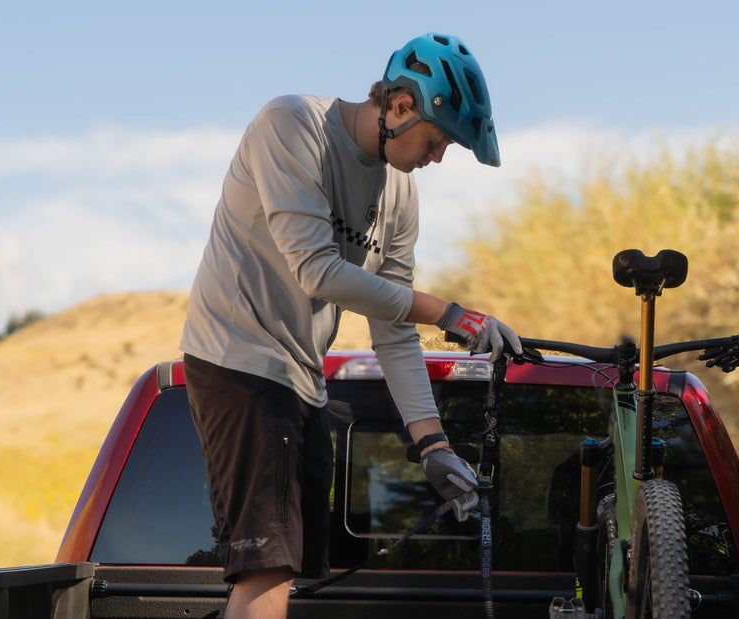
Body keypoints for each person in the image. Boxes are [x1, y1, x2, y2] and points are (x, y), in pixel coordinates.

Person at [179, 32, 521, 619]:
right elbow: (316, 270)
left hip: (303, 381)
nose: (438, 158)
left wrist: (433, 445)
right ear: (400, 106)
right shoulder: (291, 125)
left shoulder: (401, 195)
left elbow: (392, 326)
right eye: (438, 141)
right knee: (267, 569)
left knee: (289, 572)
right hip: (239, 362)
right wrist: (449, 313)